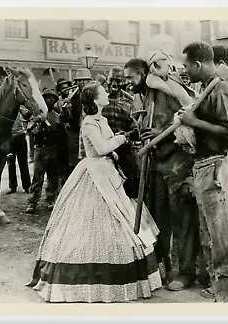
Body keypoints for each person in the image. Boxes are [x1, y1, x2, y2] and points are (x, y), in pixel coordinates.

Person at [26, 81, 162, 303]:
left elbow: (108, 146)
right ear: (94, 99)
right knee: (90, 223)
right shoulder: (89, 122)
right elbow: (101, 148)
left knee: (120, 220)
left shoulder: (102, 119)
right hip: (94, 172)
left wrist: (119, 142)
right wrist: (124, 137)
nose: (107, 93)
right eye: (103, 92)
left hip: (108, 170)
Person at [179, 41, 228, 302]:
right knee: (226, 235)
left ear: (198, 64)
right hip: (215, 164)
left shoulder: (222, 87)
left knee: (222, 241)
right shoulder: (217, 85)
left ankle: (227, 300)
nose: (185, 70)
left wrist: (193, 122)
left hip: (219, 166)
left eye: (187, 66)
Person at [125, 54, 200, 292]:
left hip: (176, 163)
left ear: (143, 74)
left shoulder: (167, 90)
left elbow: (187, 118)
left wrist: (159, 130)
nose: (128, 82)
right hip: (154, 165)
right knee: (159, 219)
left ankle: (186, 271)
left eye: (131, 77)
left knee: (182, 220)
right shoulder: (143, 96)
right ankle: (164, 267)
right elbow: (145, 127)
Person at [101, 66, 140, 198]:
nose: (114, 84)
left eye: (118, 80)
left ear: (124, 81)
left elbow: (137, 129)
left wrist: (127, 135)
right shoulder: (100, 100)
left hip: (124, 152)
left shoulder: (131, 103)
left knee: (126, 190)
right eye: (111, 80)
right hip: (104, 152)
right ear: (107, 80)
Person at [26, 89, 62, 213]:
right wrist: (37, 124)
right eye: (47, 98)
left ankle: (51, 200)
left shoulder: (58, 116)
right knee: (37, 177)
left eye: (53, 98)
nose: (50, 100)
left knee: (53, 177)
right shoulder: (37, 115)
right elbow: (30, 130)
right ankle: (33, 201)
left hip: (54, 148)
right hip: (40, 149)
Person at [60, 68, 92, 175]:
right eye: (79, 80)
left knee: (90, 160)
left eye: (85, 80)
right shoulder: (72, 97)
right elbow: (66, 119)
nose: (82, 82)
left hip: (90, 132)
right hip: (75, 132)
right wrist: (65, 108)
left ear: (89, 81)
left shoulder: (94, 95)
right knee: (74, 162)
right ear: (76, 82)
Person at [5, 106, 32, 195]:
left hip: (20, 135)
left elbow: (27, 115)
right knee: (10, 162)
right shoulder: (5, 107)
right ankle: (12, 186)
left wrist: (32, 107)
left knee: (23, 161)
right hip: (9, 137)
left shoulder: (19, 106)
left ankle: (27, 186)